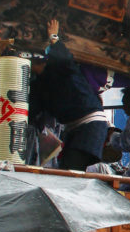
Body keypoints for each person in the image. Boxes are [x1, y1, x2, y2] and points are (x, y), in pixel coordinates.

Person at [30, 20, 107, 171]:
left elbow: (65, 60)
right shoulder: (39, 84)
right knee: (66, 168)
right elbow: (33, 109)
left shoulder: (60, 69)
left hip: (91, 125)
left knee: (71, 170)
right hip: (75, 129)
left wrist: (53, 37)